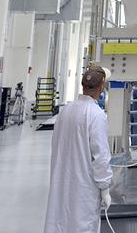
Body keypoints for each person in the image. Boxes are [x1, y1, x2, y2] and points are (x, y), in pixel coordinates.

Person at [43, 65, 114, 233]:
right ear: (101, 87)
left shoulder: (66, 111)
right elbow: (101, 157)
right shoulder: (96, 115)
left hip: (62, 181)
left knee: (61, 222)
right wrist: (105, 188)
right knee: (82, 224)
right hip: (84, 187)